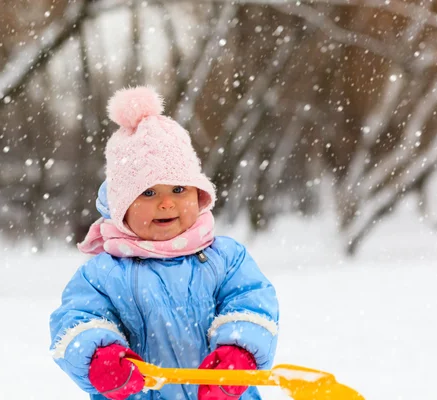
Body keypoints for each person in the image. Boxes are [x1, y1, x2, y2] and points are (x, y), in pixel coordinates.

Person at [50, 86, 279, 400]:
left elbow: (251, 306)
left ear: (198, 194)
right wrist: (100, 359)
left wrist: (238, 354)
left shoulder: (225, 259)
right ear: (121, 208)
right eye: (148, 193)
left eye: (178, 189)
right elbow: (76, 322)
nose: (167, 204)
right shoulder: (103, 273)